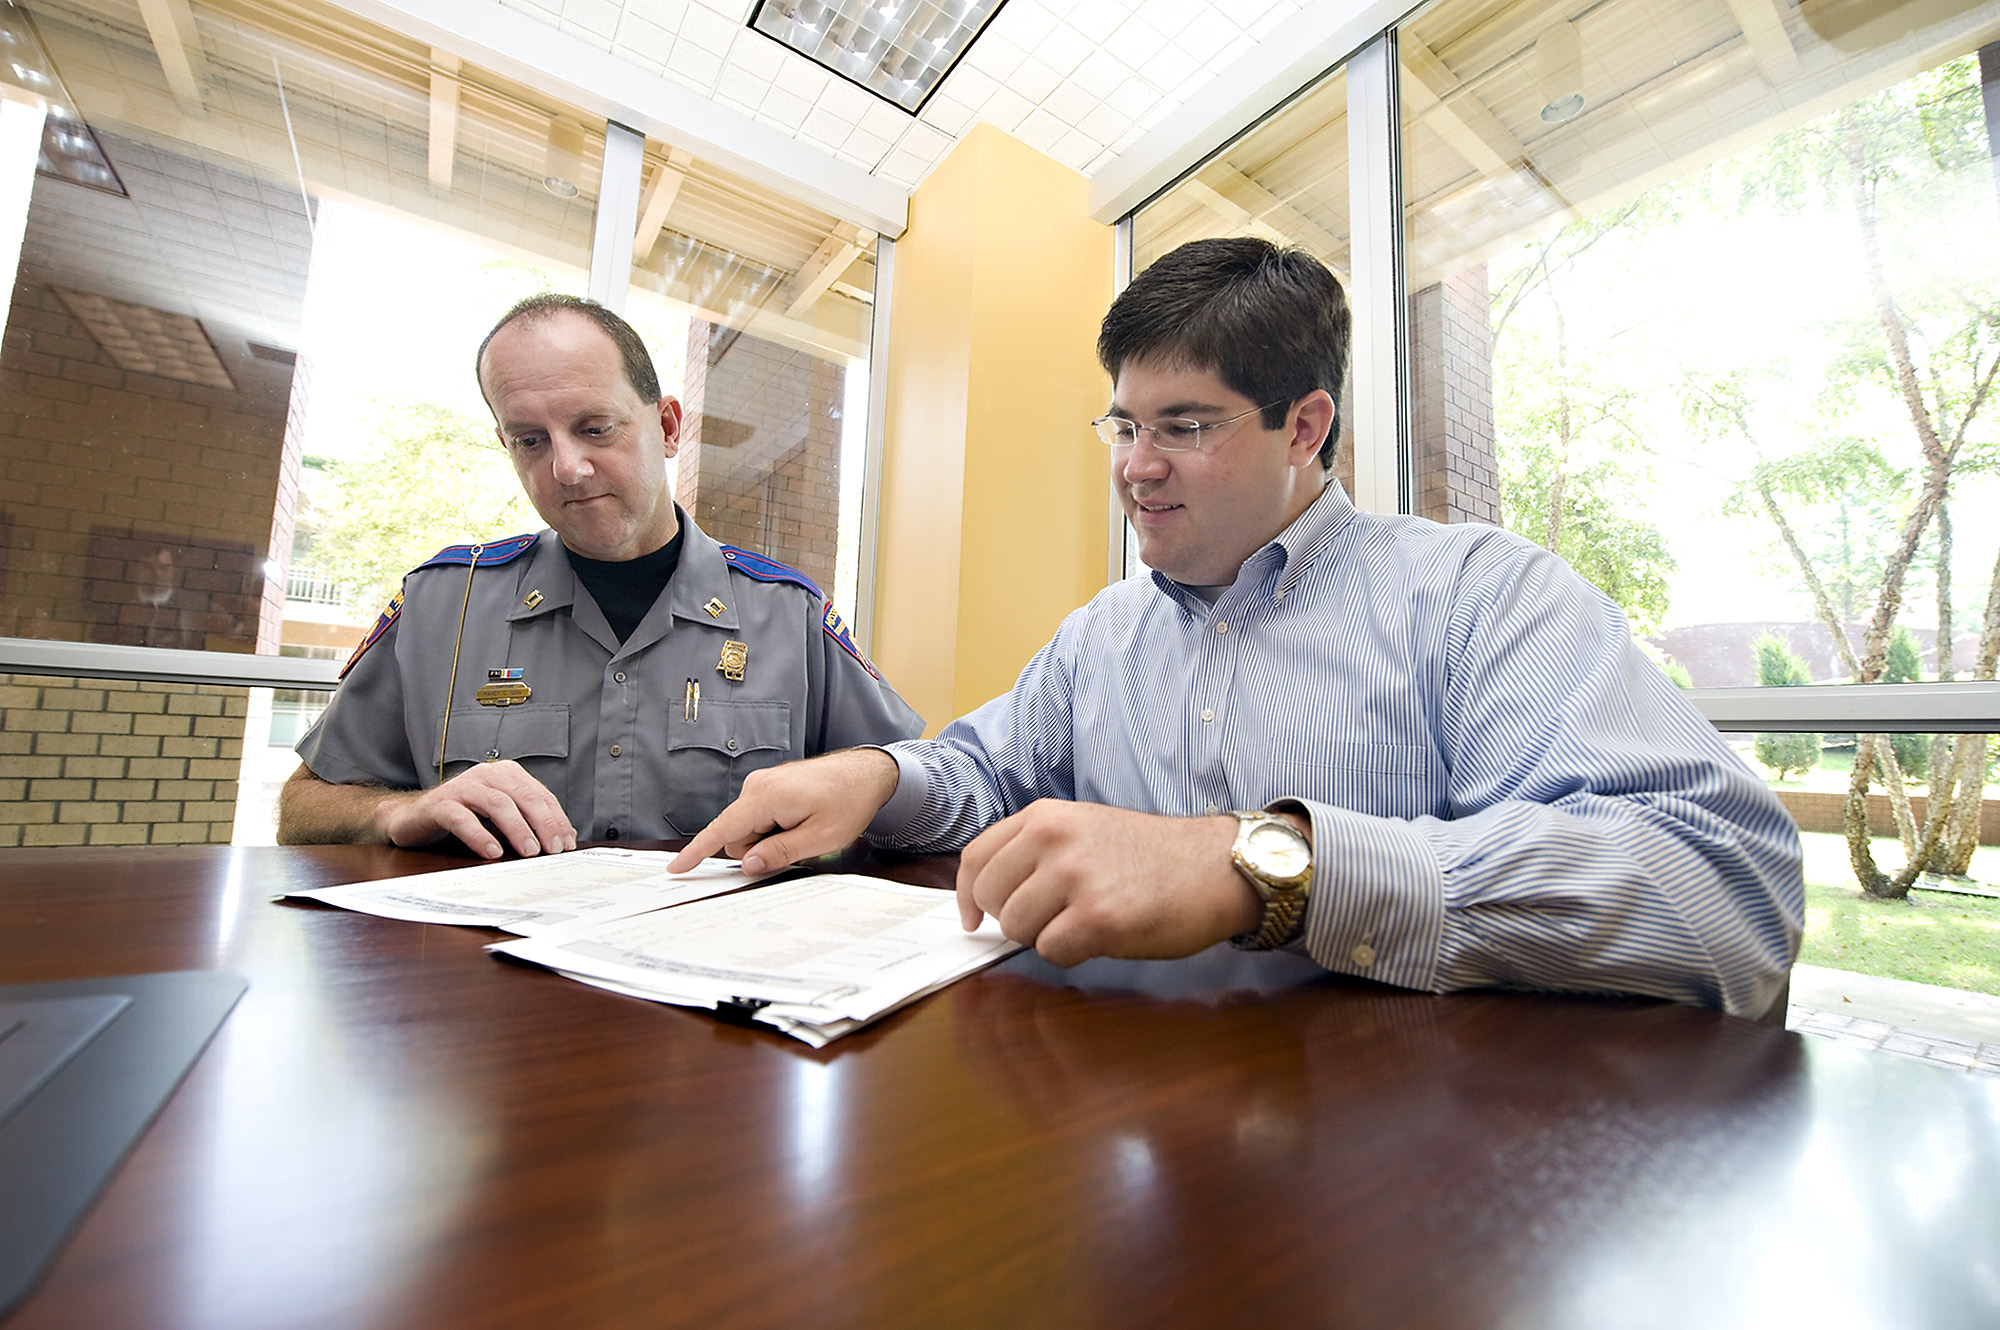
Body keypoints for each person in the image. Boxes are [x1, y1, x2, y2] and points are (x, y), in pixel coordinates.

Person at [671, 237, 1804, 1020]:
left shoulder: (1479, 598)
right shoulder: (1099, 637)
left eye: (1184, 425)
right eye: (1121, 425)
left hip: (1390, 1164)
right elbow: (980, 766)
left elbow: (1724, 892)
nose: (1133, 467)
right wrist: (874, 772)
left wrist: (1267, 866)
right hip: (1110, 1113)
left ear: (1303, 424)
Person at [279, 295, 922, 859]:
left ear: (668, 427)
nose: (566, 467)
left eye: (595, 429)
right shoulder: (442, 605)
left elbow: (915, 785)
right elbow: (303, 807)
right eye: (529, 440)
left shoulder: (789, 615)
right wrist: (398, 812)